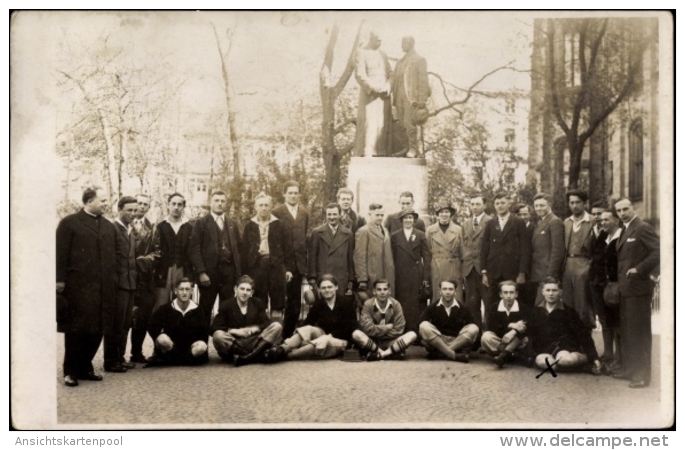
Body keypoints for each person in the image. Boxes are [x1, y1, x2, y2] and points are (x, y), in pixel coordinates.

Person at [56, 186, 117, 387]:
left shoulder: (109, 226)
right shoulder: (69, 223)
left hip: (104, 288)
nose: (107, 204)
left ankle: (85, 367)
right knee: (76, 330)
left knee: (97, 329)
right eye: (103, 200)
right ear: (89, 201)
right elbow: (60, 254)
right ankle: (70, 371)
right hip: (78, 288)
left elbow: (114, 257)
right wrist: (60, 280)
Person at [613, 198, 660, 389]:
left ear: (633, 208)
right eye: (619, 210)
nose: (622, 213)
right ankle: (631, 370)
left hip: (638, 289)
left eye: (626, 209)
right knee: (628, 332)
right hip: (626, 289)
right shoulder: (624, 229)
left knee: (639, 333)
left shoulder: (642, 227)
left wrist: (639, 269)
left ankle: (642, 375)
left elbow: (658, 252)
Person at [264, 274, 357, 362]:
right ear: (319, 289)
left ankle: (287, 356)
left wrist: (330, 336)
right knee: (308, 329)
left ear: (336, 287)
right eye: (323, 288)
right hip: (323, 335)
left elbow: (350, 328)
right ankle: (281, 349)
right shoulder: (319, 304)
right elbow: (308, 323)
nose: (327, 290)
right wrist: (294, 337)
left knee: (323, 341)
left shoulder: (346, 303)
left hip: (340, 340)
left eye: (330, 287)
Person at [529, 277, 602, 375]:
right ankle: (574, 368)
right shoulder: (536, 311)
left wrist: (594, 357)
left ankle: (585, 359)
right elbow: (529, 332)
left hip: (565, 348)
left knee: (564, 360)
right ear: (543, 292)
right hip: (544, 350)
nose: (551, 294)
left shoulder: (568, 311)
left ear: (560, 292)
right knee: (546, 363)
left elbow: (583, 334)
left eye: (554, 290)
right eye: (548, 290)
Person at [189, 190, 242, 324]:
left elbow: (238, 249)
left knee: (227, 309)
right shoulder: (201, 223)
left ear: (226, 204)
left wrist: (237, 274)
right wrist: (201, 272)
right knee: (205, 310)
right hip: (209, 275)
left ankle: (223, 342)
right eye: (216, 201)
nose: (219, 204)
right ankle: (202, 343)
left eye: (222, 201)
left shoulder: (232, 223)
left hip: (228, 274)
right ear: (210, 203)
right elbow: (194, 249)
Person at [480, 192, 530, 325]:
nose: (500, 206)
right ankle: (491, 332)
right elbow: (485, 248)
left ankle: (515, 332)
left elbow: (525, 249)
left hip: (512, 271)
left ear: (509, 203)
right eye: (497, 203)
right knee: (491, 303)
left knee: (514, 303)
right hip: (493, 271)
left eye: (503, 203)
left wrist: (521, 273)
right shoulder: (491, 223)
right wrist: (484, 272)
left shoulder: (518, 222)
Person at [210, 275, 283, 367]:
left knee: (277, 326)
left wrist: (254, 329)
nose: (245, 292)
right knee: (218, 335)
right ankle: (254, 356)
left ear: (252, 292)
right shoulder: (226, 305)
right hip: (234, 342)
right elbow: (214, 327)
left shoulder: (257, 303)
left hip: (254, 341)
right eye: (242, 289)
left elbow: (266, 323)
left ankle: (246, 358)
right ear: (235, 289)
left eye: (248, 290)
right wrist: (233, 331)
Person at [242, 193, 294, 320]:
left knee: (278, 303)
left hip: (276, 266)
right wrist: (245, 273)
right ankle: (260, 335)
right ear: (255, 207)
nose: (263, 208)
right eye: (261, 205)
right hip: (257, 266)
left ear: (271, 206)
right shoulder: (249, 226)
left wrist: (288, 269)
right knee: (258, 302)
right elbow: (243, 250)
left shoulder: (280, 225)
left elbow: (288, 249)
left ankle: (276, 336)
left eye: (266, 205)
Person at [271, 181, 310, 339]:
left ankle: (288, 337)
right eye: (290, 193)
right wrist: (283, 266)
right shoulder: (277, 212)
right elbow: (275, 241)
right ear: (284, 194)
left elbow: (303, 238)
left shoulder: (304, 213)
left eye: (296, 193)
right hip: (283, 265)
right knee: (280, 302)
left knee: (295, 303)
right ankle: (275, 336)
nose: (293, 196)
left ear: (299, 195)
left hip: (298, 265)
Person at [105, 196, 139, 373]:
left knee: (126, 322)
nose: (133, 214)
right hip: (118, 285)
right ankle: (110, 361)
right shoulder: (113, 229)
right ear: (120, 209)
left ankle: (120, 357)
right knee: (115, 323)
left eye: (135, 210)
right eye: (129, 210)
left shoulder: (130, 229)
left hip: (130, 283)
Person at [146, 278, 208, 366]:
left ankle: (176, 360)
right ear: (175, 291)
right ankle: (182, 360)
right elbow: (152, 327)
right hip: (170, 347)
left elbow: (204, 333)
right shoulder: (165, 309)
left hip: (190, 348)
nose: (184, 292)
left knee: (202, 346)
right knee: (162, 339)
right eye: (181, 289)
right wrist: (159, 343)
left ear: (192, 292)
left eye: (187, 289)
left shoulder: (198, 310)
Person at [352, 279, 417, 361]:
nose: (382, 292)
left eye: (385, 289)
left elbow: (399, 330)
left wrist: (377, 330)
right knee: (356, 334)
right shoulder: (368, 304)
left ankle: (380, 355)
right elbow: (367, 329)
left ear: (389, 291)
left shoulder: (396, 304)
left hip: (391, 342)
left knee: (412, 335)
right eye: (379, 289)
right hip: (373, 341)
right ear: (374, 291)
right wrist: (387, 327)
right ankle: (388, 353)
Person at [129, 193, 158, 364]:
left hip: (145, 279)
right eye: (138, 203)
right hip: (126, 277)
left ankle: (136, 352)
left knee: (143, 316)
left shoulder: (153, 227)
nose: (141, 206)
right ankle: (116, 355)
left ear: (148, 208)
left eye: (145, 204)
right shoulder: (124, 224)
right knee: (126, 315)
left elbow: (157, 252)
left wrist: (143, 261)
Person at [390, 209, 431, 332]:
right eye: (406, 218)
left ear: (414, 220)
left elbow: (427, 257)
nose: (408, 220)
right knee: (402, 302)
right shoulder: (395, 236)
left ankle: (416, 331)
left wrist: (426, 277)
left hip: (416, 274)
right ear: (402, 220)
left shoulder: (420, 235)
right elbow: (392, 257)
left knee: (416, 303)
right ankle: (402, 330)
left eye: (410, 218)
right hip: (400, 274)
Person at [418, 280, 478, 363]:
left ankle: (440, 354)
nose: (447, 292)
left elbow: (473, 330)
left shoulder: (463, 308)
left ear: (455, 292)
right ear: (440, 291)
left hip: (457, 341)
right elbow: (419, 326)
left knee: (473, 328)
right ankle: (453, 355)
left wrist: (468, 345)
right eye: (444, 289)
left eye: (450, 289)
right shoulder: (433, 307)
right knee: (424, 325)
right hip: (439, 341)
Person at [152, 193, 193, 313]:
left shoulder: (189, 227)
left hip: (182, 269)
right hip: (163, 270)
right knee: (161, 302)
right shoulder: (160, 226)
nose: (176, 207)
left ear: (183, 207)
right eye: (173, 204)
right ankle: (158, 330)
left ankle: (178, 330)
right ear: (168, 206)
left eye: (179, 204)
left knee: (181, 301)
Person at [354, 31, 392, 157]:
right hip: (369, 94)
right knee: (370, 122)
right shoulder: (361, 52)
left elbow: (391, 74)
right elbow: (360, 74)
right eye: (377, 40)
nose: (379, 43)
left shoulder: (383, 54)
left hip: (384, 94)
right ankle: (368, 151)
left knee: (383, 123)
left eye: (381, 41)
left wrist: (387, 86)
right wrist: (373, 88)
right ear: (371, 38)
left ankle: (382, 151)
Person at [561, 190, 595, 329]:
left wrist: (590, 266)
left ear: (585, 203)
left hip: (585, 264)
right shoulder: (566, 222)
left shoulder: (593, 221)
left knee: (583, 305)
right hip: (568, 264)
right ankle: (571, 341)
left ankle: (586, 342)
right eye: (571, 202)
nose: (574, 206)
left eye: (578, 202)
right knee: (568, 304)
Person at [392, 36, 430, 158]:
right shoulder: (400, 62)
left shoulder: (419, 60)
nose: (402, 45)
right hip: (398, 96)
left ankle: (413, 148)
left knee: (410, 123)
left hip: (411, 97)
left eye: (405, 43)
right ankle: (405, 147)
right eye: (402, 42)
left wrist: (422, 100)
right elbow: (394, 78)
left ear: (411, 43)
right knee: (401, 123)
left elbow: (423, 81)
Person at [307, 203, 355, 297]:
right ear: (326, 215)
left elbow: (350, 258)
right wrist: (312, 277)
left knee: (340, 305)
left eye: (334, 214)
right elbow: (312, 257)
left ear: (339, 215)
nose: (332, 217)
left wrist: (351, 279)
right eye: (329, 214)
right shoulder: (317, 232)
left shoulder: (348, 234)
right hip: (323, 276)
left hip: (341, 278)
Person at [481, 281, 531, 368]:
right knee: (486, 337)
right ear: (500, 294)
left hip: (517, 341)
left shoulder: (523, 307)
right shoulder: (494, 307)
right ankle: (515, 355)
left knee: (524, 337)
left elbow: (527, 326)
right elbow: (491, 326)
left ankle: (504, 356)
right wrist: (510, 325)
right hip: (501, 340)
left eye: (512, 292)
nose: (508, 296)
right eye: (505, 292)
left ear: (516, 294)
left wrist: (514, 332)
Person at [596, 208, 622, 373]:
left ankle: (620, 359)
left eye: (607, 220)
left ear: (616, 221)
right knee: (608, 321)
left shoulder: (621, 237)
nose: (603, 222)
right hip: (606, 286)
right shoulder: (604, 237)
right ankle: (610, 355)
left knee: (618, 324)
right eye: (602, 220)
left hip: (617, 286)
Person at [462, 193, 493, 332]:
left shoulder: (491, 222)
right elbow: (464, 245)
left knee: (488, 303)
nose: (474, 207)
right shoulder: (466, 224)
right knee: (471, 304)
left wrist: (486, 269)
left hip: (484, 269)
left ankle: (487, 335)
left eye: (478, 204)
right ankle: (474, 337)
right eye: (472, 204)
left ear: (484, 205)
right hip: (469, 269)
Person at [426, 198, 464, 305]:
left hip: (454, 268)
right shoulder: (430, 230)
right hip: (437, 268)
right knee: (438, 297)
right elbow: (427, 253)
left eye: (446, 212)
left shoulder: (458, 229)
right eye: (441, 212)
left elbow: (462, 252)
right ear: (437, 214)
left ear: (451, 214)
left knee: (456, 296)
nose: (444, 214)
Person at [530, 193, 565, 307]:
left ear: (549, 205)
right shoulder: (541, 222)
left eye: (542, 205)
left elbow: (557, 250)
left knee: (544, 305)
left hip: (547, 272)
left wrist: (552, 273)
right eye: (536, 206)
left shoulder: (554, 222)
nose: (538, 208)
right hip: (539, 271)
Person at [354, 203, 395, 297]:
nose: (380, 218)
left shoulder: (385, 230)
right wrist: (362, 279)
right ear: (370, 215)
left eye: (382, 215)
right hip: (372, 275)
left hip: (387, 275)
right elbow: (359, 257)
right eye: (377, 215)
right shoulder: (364, 231)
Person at [513, 202, 537, 307]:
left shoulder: (535, 229)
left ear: (530, 215)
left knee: (530, 297)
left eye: (525, 214)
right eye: (519, 215)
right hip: (515, 269)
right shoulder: (513, 230)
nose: (522, 217)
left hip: (531, 269)